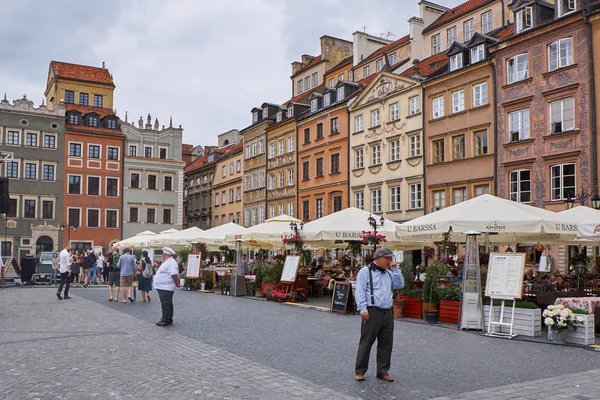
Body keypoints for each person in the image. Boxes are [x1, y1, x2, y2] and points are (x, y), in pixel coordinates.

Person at [354, 248, 404, 383]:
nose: (390, 261)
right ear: (379, 258)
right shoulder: (365, 272)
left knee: (386, 344)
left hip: (388, 312)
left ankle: (382, 371)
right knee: (366, 342)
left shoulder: (388, 273)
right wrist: (363, 309)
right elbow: (360, 291)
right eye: (388, 258)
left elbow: (399, 284)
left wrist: (396, 270)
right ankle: (360, 371)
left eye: (390, 258)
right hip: (372, 311)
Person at [155, 247, 181, 326]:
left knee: (165, 304)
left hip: (166, 287)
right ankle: (168, 318)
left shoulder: (171, 263)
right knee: (168, 303)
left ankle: (165, 319)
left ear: (166, 254)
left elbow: (174, 274)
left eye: (163, 253)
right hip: (163, 286)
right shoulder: (168, 262)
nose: (162, 255)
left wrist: (177, 284)